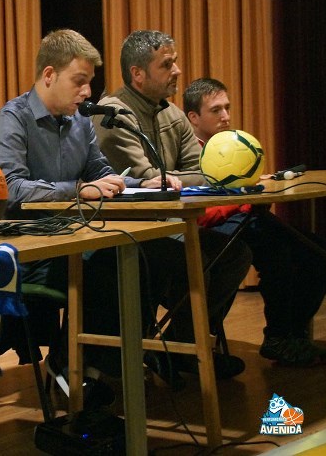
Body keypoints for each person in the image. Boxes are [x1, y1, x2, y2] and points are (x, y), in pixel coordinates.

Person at [0, 29, 239, 397]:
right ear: (49, 76)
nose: (88, 92)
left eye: (89, 82)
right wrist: (76, 190)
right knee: (123, 264)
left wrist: (137, 184)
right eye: (80, 81)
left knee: (174, 255)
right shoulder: (13, 119)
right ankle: (85, 368)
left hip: (84, 237)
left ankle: (118, 361)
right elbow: (9, 189)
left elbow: (102, 172)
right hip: (35, 248)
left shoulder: (78, 123)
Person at [92, 29, 252, 381]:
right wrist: (178, 177)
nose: (178, 70)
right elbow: (152, 180)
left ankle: (184, 345)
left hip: (171, 224)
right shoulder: (113, 114)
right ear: (138, 74)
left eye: (175, 61)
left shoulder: (173, 114)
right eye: (167, 64)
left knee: (235, 252)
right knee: (195, 258)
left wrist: (179, 177)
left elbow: (205, 172)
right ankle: (181, 350)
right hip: (129, 232)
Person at [184, 77, 326, 366]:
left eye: (227, 108)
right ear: (194, 117)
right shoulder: (188, 152)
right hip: (215, 225)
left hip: (247, 215)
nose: (226, 116)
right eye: (216, 110)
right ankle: (277, 338)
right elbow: (199, 209)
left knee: (318, 252)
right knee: (278, 256)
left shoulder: (236, 146)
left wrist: (253, 190)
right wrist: (243, 198)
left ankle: (293, 334)